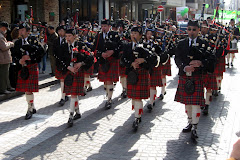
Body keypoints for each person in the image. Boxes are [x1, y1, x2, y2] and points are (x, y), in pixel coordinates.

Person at [174, 20, 215, 140]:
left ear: (198, 30)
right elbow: (177, 58)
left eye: (194, 29)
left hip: (197, 76)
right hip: (185, 75)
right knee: (187, 104)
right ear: (187, 30)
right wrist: (184, 66)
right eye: (189, 29)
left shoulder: (205, 43)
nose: (191, 32)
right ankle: (190, 122)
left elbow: (212, 58)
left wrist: (201, 62)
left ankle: (195, 127)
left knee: (196, 104)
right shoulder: (181, 43)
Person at [121, 26, 159, 130]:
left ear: (140, 35)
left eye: (135, 33)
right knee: (134, 98)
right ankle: (138, 114)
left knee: (137, 98)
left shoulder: (146, 46)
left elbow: (154, 59)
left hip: (142, 73)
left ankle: (137, 118)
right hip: (131, 74)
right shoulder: (127, 46)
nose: (133, 35)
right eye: (132, 33)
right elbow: (122, 60)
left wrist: (144, 60)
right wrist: (131, 63)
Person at [57, 29, 93, 127]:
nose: (67, 38)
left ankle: (71, 116)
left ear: (74, 36)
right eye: (66, 36)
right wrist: (69, 67)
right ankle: (77, 112)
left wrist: (81, 63)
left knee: (73, 94)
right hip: (68, 72)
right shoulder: (63, 47)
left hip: (78, 72)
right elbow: (59, 60)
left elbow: (90, 57)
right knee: (74, 93)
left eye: (69, 36)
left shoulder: (81, 45)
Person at [11, 23, 45, 120]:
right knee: (27, 89)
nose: (20, 32)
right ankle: (32, 106)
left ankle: (29, 109)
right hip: (22, 67)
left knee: (28, 90)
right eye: (20, 30)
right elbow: (14, 54)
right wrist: (19, 60)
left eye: (22, 30)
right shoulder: (17, 43)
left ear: (28, 31)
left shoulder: (33, 40)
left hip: (32, 66)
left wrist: (30, 57)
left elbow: (41, 52)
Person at [94, 19, 120, 109]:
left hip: (112, 60)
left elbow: (120, 47)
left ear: (109, 27)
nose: (103, 28)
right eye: (102, 26)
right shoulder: (98, 36)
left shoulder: (114, 35)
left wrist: (112, 51)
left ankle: (109, 99)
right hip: (103, 60)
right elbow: (94, 48)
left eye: (105, 26)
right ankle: (108, 94)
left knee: (109, 80)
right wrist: (101, 54)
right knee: (105, 81)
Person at [53, 25, 69, 106]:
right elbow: (54, 51)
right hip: (59, 63)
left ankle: (65, 95)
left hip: (67, 63)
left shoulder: (68, 40)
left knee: (66, 80)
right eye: (59, 31)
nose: (60, 32)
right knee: (62, 80)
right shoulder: (56, 40)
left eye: (62, 31)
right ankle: (63, 97)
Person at [0, 21, 15, 94]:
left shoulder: (2, 36)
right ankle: (3, 89)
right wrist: (10, 43)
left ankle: (8, 86)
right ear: (2, 28)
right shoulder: (0, 36)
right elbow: (4, 47)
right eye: (5, 28)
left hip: (4, 58)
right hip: (3, 58)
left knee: (6, 73)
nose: (5, 30)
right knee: (4, 74)